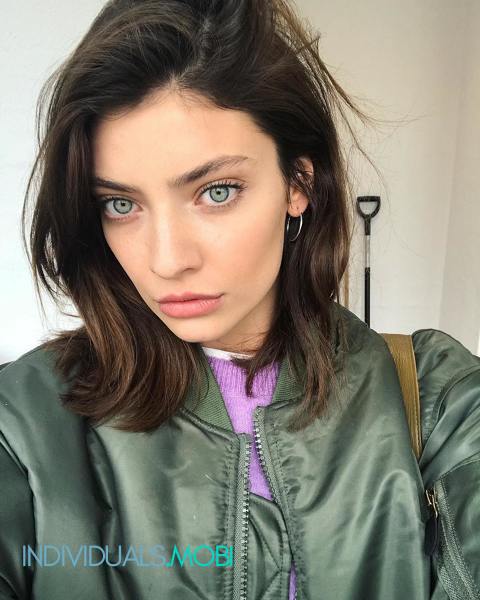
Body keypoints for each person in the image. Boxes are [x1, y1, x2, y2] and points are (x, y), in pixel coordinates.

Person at [1, 1, 479, 599]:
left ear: (298, 183)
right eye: (121, 204)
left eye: (217, 191)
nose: (167, 260)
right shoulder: (24, 422)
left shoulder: (437, 399)